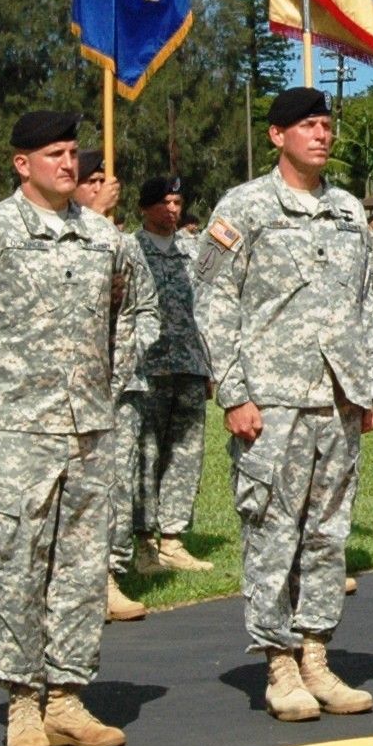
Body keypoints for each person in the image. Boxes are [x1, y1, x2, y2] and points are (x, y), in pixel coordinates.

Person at [0, 111, 153, 746]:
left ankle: (68, 697)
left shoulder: (101, 236)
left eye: (73, 152)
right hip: (17, 429)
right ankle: (23, 702)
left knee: (81, 571)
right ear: (22, 163)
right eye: (54, 153)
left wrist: (113, 384)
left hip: (88, 429)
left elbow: (129, 313)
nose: (68, 163)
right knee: (21, 566)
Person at [197, 87, 373, 723]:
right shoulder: (246, 208)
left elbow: (365, 306)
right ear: (277, 136)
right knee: (273, 530)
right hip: (272, 400)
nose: (321, 134)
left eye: (327, 124)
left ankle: (316, 654)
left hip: (338, 398)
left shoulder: (348, 211)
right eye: (307, 125)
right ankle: (278, 664)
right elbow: (214, 302)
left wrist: (368, 386)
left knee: (328, 534)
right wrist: (234, 392)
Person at [124, 174, 216, 574]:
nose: (173, 210)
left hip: (190, 364)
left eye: (178, 202)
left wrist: (211, 366)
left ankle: (174, 539)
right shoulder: (129, 249)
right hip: (148, 367)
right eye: (164, 203)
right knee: (146, 453)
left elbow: (211, 308)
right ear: (144, 208)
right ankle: (143, 542)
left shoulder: (193, 251)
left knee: (185, 453)